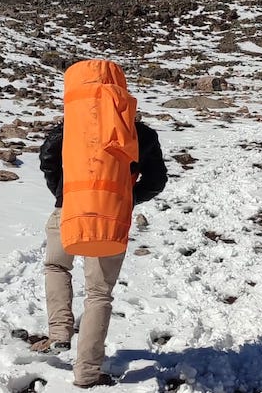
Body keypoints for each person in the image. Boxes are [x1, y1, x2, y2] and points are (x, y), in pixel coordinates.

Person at [36, 73, 168, 388]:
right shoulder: (140, 133)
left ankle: (59, 332)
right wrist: (125, 199)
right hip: (111, 218)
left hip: (66, 211)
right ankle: (87, 373)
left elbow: (47, 161)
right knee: (98, 295)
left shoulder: (70, 126)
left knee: (56, 266)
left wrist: (64, 195)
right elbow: (157, 179)